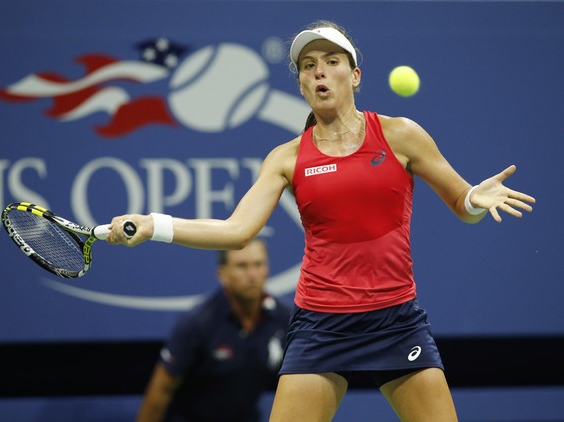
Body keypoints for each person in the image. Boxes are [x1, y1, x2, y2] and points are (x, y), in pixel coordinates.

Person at [109, 20, 536, 422]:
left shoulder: (400, 134)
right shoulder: (287, 157)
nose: (320, 73)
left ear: (355, 76)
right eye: (309, 66)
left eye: (332, 62)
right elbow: (236, 232)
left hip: (396, 320)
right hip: (321, 324)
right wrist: (153, 225)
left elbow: (463, 205)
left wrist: (475, 200)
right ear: (300, 83)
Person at [136, 238, 291, 422]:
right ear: (222, 273)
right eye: (242, 266)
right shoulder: (196, 323)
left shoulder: (284, 318)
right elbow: (161, 391)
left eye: (259, 264)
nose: (252, 274)